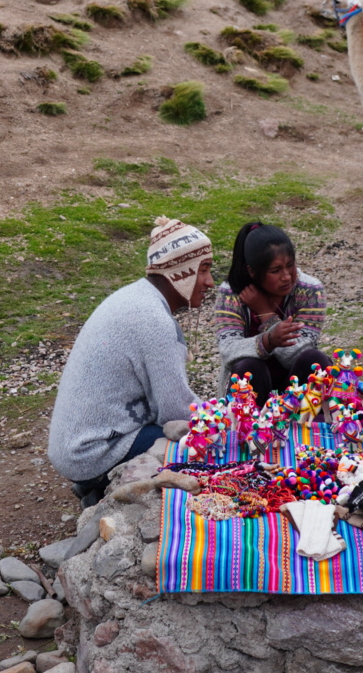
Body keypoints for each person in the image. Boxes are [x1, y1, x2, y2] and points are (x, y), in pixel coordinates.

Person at [47, 215, 216, 507]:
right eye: (203, 270)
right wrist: (223, 419)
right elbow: (175, 411)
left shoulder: (136, 297)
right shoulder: (153, 320)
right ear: (181, 271)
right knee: (194, 449)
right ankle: (101, 484)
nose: (210, 282)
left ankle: (94, 484)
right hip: (89, 451)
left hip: (74, 445)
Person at [208, 221, 332, 402]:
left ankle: (317, 423)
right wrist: (267, 342)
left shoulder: (310, 290)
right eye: (275, 270)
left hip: (296, 391)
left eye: (290, 265)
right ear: (252, 271)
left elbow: (300, 354)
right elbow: (229, 351)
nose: (287, 276)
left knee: (314, 359)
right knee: (249, 366)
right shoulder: (231, 293)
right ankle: (244, 426)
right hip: (252, 390)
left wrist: (267, 315)